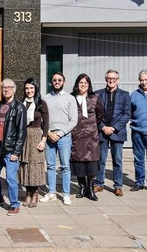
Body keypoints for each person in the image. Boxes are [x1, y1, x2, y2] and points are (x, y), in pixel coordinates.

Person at [0, 79, 26, 216]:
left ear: (14, 89)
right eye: (4, 88)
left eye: (9, 87)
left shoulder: (19, 107)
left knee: (10, 177)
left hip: (10, 149)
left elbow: (22, 132)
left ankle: (15, 204)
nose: (6, 90)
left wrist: (16, 152)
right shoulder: (1, 105)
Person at [41, 72, 77, 205]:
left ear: (64, 82)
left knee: (65, 166)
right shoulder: (46, 98)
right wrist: (49, 133)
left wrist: (60, 134)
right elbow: (42, 119)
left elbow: (73, 120)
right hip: (49, 136)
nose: (57, 82)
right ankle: (51, 193)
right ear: (51, 82)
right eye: (54, 80)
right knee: (50, 165)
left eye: (59, 80)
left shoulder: (70, 98)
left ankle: (66, 194)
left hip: (64, 137)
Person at [94, 69, 130, 197]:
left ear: (118, 80)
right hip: (102, 132)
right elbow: (94, 114)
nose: (111, 80)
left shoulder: (125, 95)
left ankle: (118, 186)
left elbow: (126, 114)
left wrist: (113, 128)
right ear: (105, 79)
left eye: (114, 78)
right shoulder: (98, 94)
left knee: (118, 160)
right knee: (100, 159)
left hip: (117, 132)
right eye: (109, 78)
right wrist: (103, 127)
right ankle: (99, 183)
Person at [70, 73, 104, 201]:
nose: (83, 85)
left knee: (91, 162)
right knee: (78, 162)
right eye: (81, 83)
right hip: (76, 135)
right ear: (77, 84)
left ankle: (90, 188)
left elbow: (100, 114)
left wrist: (92, 125)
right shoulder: (72, 98)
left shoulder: (95, 98)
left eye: (85, 83)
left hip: (91, 135)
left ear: (89, 85)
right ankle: (82, 187)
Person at [19, 78, 48, 208]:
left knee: (35, 166)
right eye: (27, 88)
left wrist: (43, 139)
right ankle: (28, 194)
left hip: (36, 135)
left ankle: (35, 193)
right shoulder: (21, 103)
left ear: (35, 89)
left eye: (31, 88)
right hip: (24, 136)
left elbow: (46, 123)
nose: (29, 91)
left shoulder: (41, 103)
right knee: (25, 165)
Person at [130, 69, 147, 192]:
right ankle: (139, 182)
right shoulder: (134, 95)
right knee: (138, 159)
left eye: (146, 80)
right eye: (141, 80)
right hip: (137, 132)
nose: (144, 82)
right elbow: (129, 112)